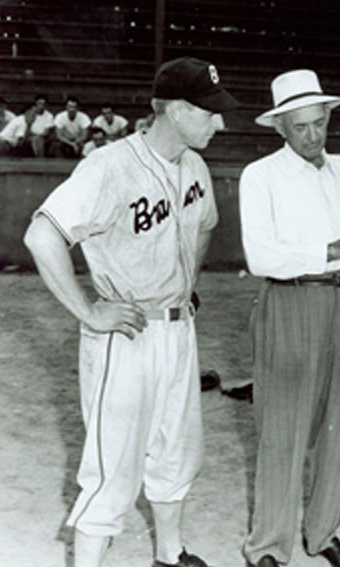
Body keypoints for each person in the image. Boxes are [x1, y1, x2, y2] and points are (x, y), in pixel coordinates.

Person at [23, 56, 241, 567]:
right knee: (111, 469)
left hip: (177, 329)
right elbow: (42, 234)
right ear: (177, 111)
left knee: (177, 452)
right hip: (127, 334)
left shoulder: (195, 164)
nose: (221, 121)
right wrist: (88, 311)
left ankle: (171, 553)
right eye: (210, 112)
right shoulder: (110, 165)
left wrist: (186, 284)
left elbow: (204, 222)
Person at [238, 69, 340, 567]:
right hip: (291, 300)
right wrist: (335, 246)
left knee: (337, 425)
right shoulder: (261, 176)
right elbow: (261, 256)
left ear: (329, 119)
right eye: (299, 127)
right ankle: (269, 545)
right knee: (283, 427)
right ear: (279, 126)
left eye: (318, 124)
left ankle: (323, 533)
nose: (311, 136)